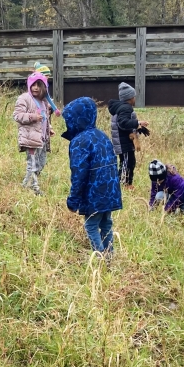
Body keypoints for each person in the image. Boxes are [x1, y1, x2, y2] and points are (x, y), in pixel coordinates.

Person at [62, 97, 122, 255]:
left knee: (91, 226)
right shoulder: (102, 136)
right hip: (111, 191)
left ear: (76, 120)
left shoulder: (79, 141)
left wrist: (73, 200)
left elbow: (78, 174)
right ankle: (110, 256)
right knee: (106, 223)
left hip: (94, 193)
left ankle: (100, 258)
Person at [13, 72, 54, 195]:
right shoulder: (25, 98)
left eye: (39, 85)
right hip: (30, 138)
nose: (35, 87)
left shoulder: (43, 101)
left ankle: (26, 184)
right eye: (33, 85)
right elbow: (17, 115)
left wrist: (49, 128)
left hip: (41, 138)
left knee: (41, 162)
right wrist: (32, 117)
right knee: (33, 163)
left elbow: (45, 118)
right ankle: (33, 188)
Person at [108, 82, 149, 188]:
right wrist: (138, 123)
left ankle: (127, 183)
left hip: (124, 140)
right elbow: (123, 123)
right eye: (134, 96)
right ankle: (123, 184)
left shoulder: (121, 108)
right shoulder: (126, 108)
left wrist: (138, 129)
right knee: (127, 162)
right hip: (123, 143)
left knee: (130, 162)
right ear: (129, 98)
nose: (135, 98)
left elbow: (125, 124)